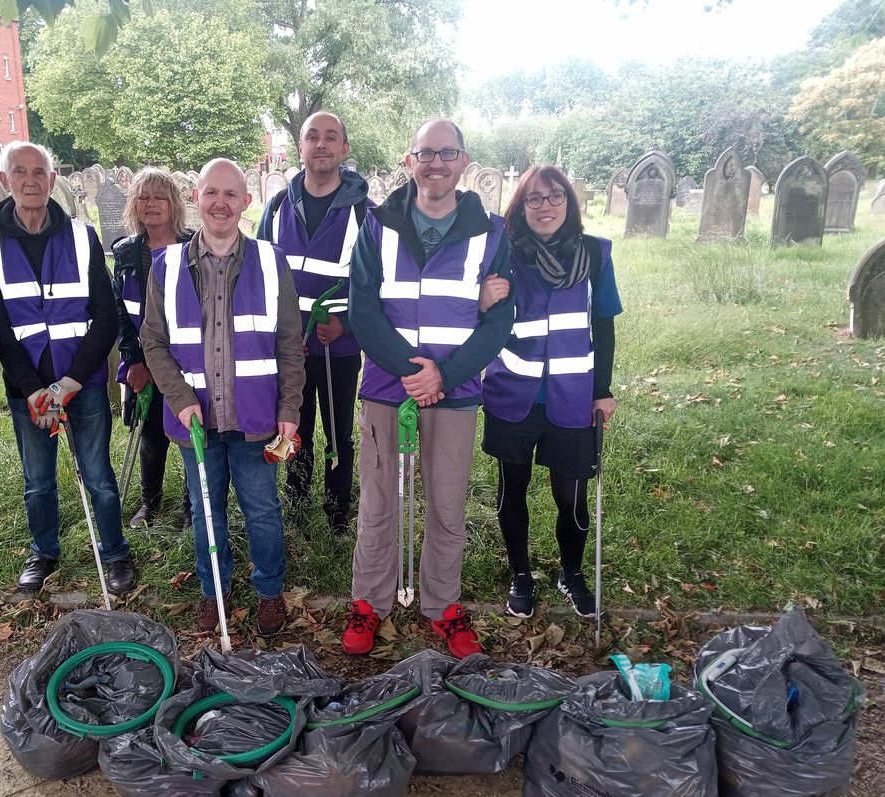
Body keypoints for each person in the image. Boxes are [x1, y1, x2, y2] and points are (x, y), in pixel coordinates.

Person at [345, 117, 513, 659]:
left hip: (457, 391)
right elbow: (362, 308)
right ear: (409, 161)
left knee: (445, 505)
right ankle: (370, 602)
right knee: (377, 502)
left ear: (464, 162)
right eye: (426, 154)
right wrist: (409, 369)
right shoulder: (376, 224)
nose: (436, 163)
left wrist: (446, 374)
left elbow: (499, 320)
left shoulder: (492, 231)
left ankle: (443, 607)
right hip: (386, 388)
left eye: (447, 153)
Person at [141, 158, 305, 636]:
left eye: (231, 194)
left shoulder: (272, 263)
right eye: (211, 192)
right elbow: (153, 341)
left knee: (262, 509)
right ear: (196, 198)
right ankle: (215, 590)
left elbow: (290, 344)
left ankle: (269, 591)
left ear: (246, 202)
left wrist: (289, 409)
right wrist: (178, 397)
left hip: (256, 420)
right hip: (197, 423)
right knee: (204, 509)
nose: (220, 203)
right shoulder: (167, 266)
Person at [0, 141, 135, 596]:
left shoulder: (82, 237)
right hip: (28, 384)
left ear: (51, 179)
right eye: (19, 172)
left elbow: (106, 316)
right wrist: (34, 389)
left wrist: (69, 383)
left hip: (83, 380)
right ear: (5, 181)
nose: (30, 180)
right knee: (38, 481)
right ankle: (43, 551)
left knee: (99, 477)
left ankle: (115, 552)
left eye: (38, 171)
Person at [481, 164, 621, 619]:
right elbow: (478, 319)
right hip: (513, 396)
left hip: (573, 397)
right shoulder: (502, 253)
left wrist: (603, 390)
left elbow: (604, 326)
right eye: (534, 199)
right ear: (520, 207)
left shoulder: (595, 255)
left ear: (569, 201)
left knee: (572, 496)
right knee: (512, 490)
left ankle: (571, 572)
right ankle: (520, 573)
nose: (545, 207)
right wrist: (482, 300)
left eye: (555, 196)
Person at [256, 111, 368, 534]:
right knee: (291, 426)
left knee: (338, 430)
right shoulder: (279, 206)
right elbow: (262, 273)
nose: (321, 144)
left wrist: (345, 323)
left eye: (331, 137)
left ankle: (338, 512)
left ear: (344, 148)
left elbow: (374, 282)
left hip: (336, 346)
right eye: (312, 137)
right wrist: (279, 336)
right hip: (290, 349)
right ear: (300, 147)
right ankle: (296, 503)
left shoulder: (364, 212)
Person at [112, 168, 194, 528]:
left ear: (173, 204)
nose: (151, 204)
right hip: (146, 360)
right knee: (151, 434)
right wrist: (133, 359)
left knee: (193, 433)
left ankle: (195, 506)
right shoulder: (126, 253)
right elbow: (120, 310)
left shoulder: (194, 246)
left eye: (159, 196)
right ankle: (151, 503)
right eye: (143, 197)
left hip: (188, 360)